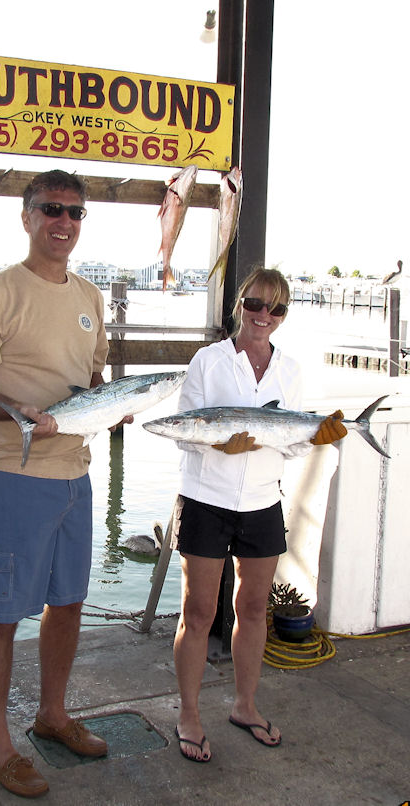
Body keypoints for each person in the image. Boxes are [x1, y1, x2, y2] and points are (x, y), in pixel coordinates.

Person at [0, 169, 130, 798]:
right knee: (1, 614)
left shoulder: (89, 297)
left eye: (76, 213)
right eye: (52, 209)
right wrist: (20, 415)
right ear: (26, 217)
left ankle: (52, 716)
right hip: (10, 473)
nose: (64, 222)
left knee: (69, 603)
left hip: (75, 473)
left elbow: (92, 382)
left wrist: (114, 404)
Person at [172, 267, 347, 762]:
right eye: (254, 304)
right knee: (200, 612)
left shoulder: (289, 370)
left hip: (262, 504)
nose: (263, 316)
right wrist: (221, 447)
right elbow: (188, 430)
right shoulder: (207, 362)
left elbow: (288, 442)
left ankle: (245, 705)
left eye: (276, 309)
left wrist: (315, 437)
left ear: (285, 315)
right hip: (206, 499)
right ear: (239, 306)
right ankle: (189, 713)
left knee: (253, 610)